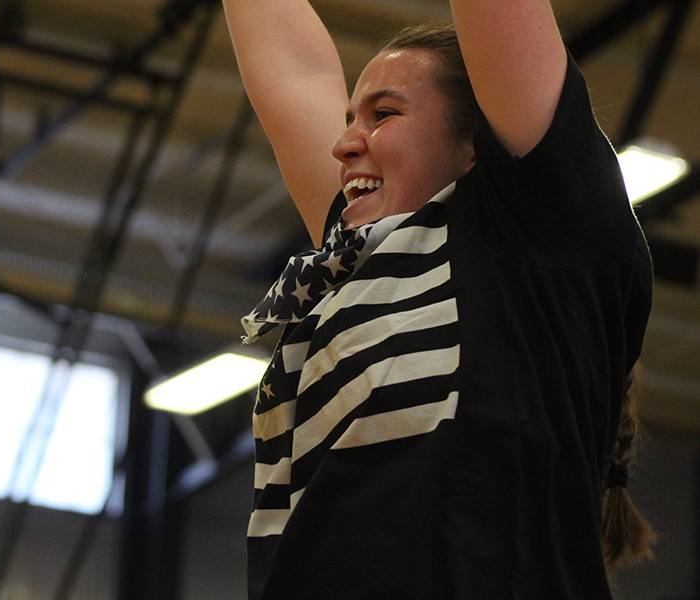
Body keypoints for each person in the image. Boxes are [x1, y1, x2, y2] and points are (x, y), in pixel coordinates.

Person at [222, 0, 656, 598]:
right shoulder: (363, 258)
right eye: (352, 116)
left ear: (477, 143)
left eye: (383, 114)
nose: (344, 143)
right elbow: (293, 72)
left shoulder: (536, 231)